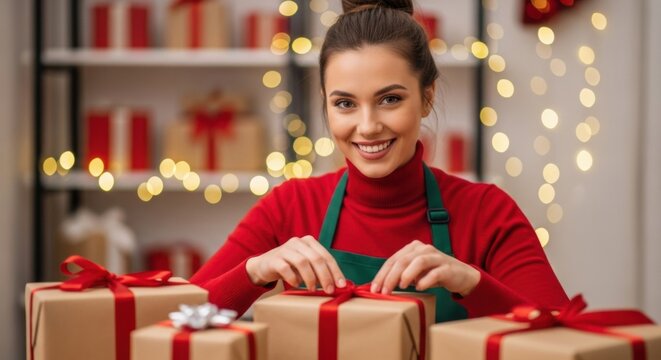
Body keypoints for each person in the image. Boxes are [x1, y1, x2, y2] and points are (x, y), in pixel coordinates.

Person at [190, 0, 568, 323]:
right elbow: (174, 315)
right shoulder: (289, 206)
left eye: (390, 99)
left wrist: (471, 282)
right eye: (345, 104)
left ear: (427, 97)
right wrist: (253, 272)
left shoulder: (487, 212)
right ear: (326, 103)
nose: (368, 127)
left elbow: (565, 337)